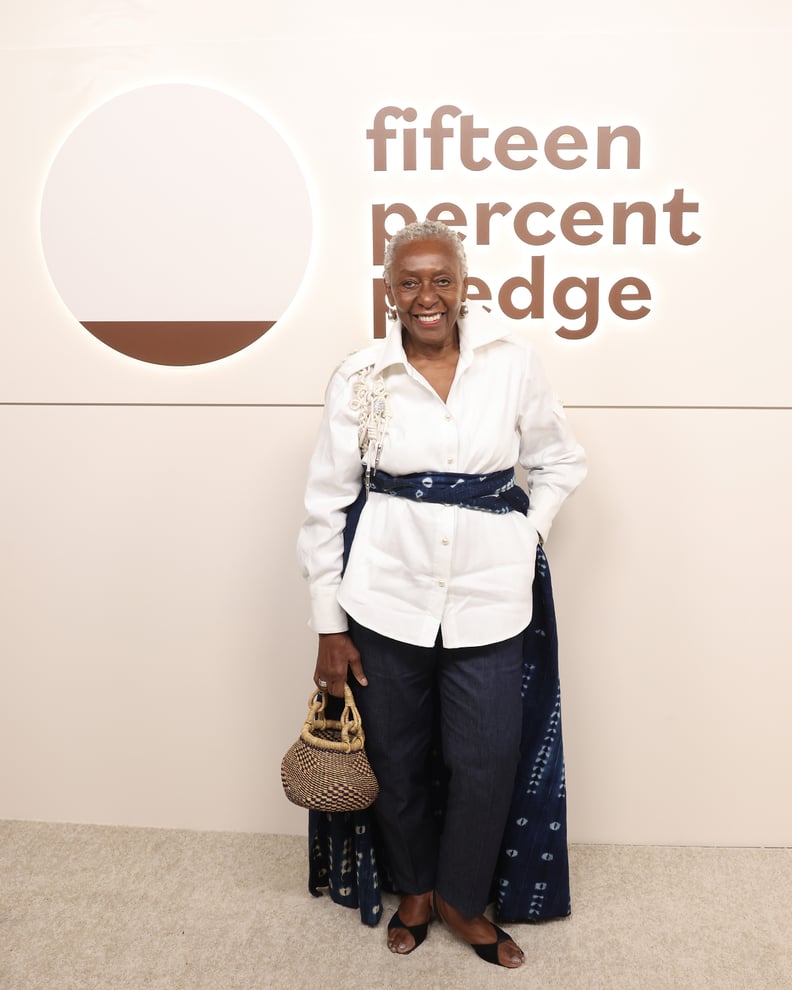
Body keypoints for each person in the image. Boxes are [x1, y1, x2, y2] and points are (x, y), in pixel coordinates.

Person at [297, 219, 586, 968]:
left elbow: (560, 461)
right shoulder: (360, 376)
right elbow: (326, 502)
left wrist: (527, 535)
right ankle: (415, 888)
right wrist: (329, 623)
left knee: (486, 758)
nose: (426, 296)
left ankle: (461, 897)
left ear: (464, 285)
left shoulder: (512, 364)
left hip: (491, 597)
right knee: (395, 752)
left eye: (441, 279)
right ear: (388, 291)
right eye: (409, 281)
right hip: (385, 596)